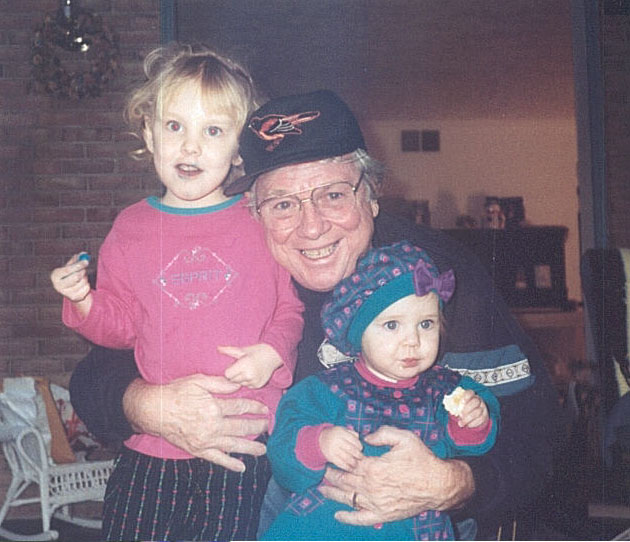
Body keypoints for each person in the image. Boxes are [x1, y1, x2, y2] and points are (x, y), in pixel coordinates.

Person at [69, 89, 561, 539]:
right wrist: (146, 406)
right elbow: (94, 375)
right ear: (252, 212)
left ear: (370, 194)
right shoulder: (235, 261)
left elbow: (538, 436)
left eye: (333, 195)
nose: (311, 227)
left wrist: (451, 483)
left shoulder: (432, 278)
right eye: (283, 204)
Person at [50, 45, 304, 542]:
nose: (190, 147)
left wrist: (273, 352)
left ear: (239, 149)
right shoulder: (130, 228)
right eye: (174, 126)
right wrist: (84, 300)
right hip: (151, 448)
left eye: (213, 131)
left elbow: (288, 306)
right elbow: (120, 328)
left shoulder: (257, 220)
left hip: (242, 444)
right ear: (149, 134)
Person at [262, 241, 500, 540]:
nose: (412, 341)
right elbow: (282, 454)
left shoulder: (448, 389)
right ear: (358, 333)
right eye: (391, 326)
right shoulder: (324, 389)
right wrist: (317, 442)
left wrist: (472, 420)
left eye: (426, 324)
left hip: (416, 531)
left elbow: (475, 448)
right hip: (323, 528)